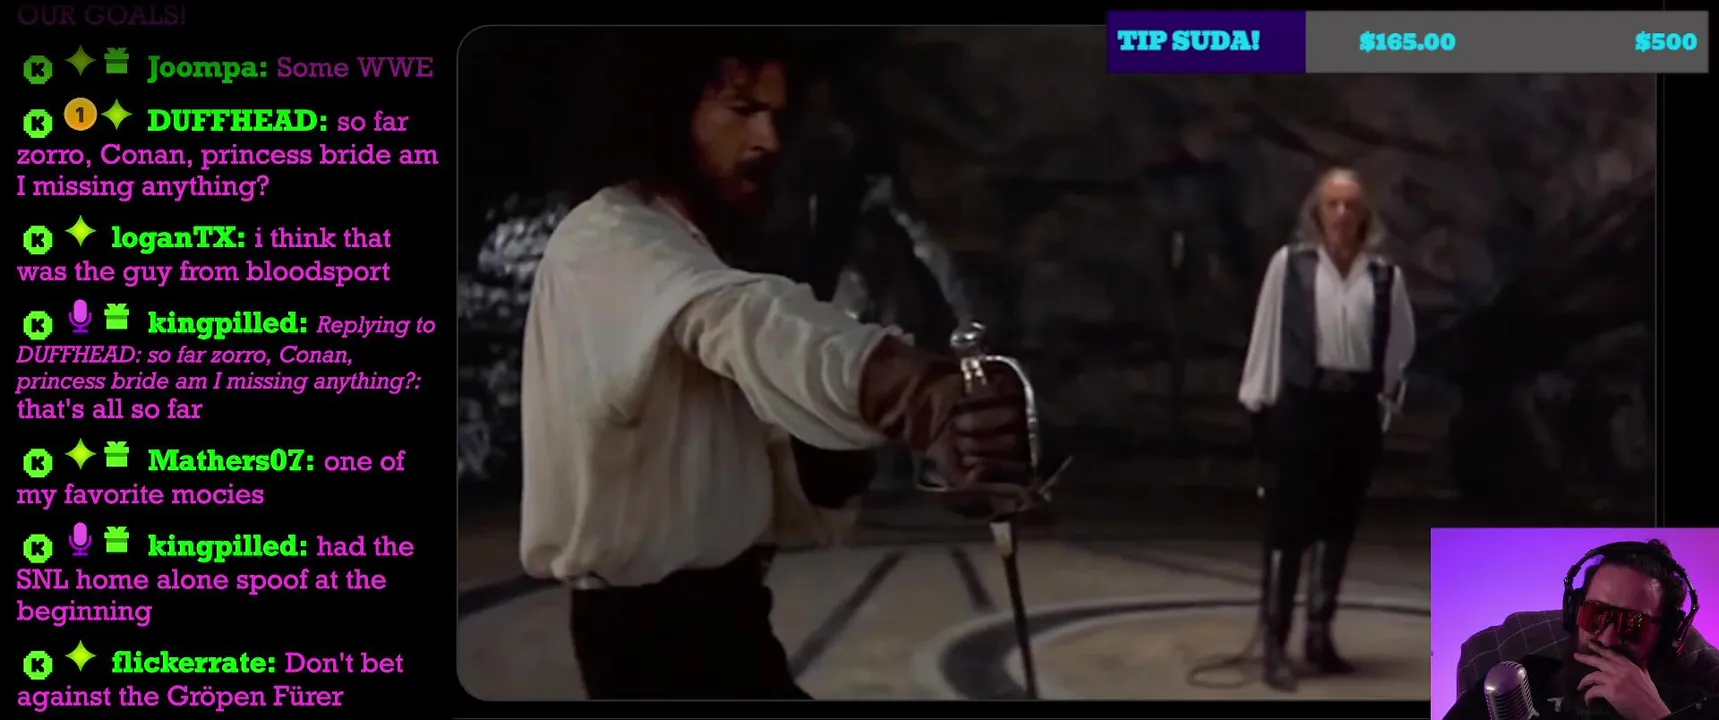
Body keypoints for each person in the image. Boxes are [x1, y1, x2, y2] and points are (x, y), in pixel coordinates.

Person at [518, 29, 1034, 700]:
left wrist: (851, 447)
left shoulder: (686, 245)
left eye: (774, 116)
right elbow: (746, 319)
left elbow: (758, 439)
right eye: (741, 110)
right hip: (655, 649)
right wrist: (916, 396)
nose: (767, 140)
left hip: (724, 623)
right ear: (664, 112)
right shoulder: (609, 238)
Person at [1237, 167, 1417, 691]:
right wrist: (1259, 404)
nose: (1341, 214)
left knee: (1338, 524)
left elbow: (1400, 344)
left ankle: (1319, 635)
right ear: (1318, 212)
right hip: (1301, 407)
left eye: (1350, 205)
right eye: (1332, 204)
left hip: (1355, 410)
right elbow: (1268, 333)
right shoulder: (1290, 266)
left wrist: (1384, 395)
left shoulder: (1384, 277)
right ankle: (1276, 642)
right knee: (1288, 526)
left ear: (1365, 215)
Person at [1443, 540, 1718, 720]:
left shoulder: (1693, 707)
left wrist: (1653, 715)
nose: (1608, 638)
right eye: (1597, 614)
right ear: (1576, 612)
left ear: (1665, 635)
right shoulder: (1515, 684)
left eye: (1632, 624)